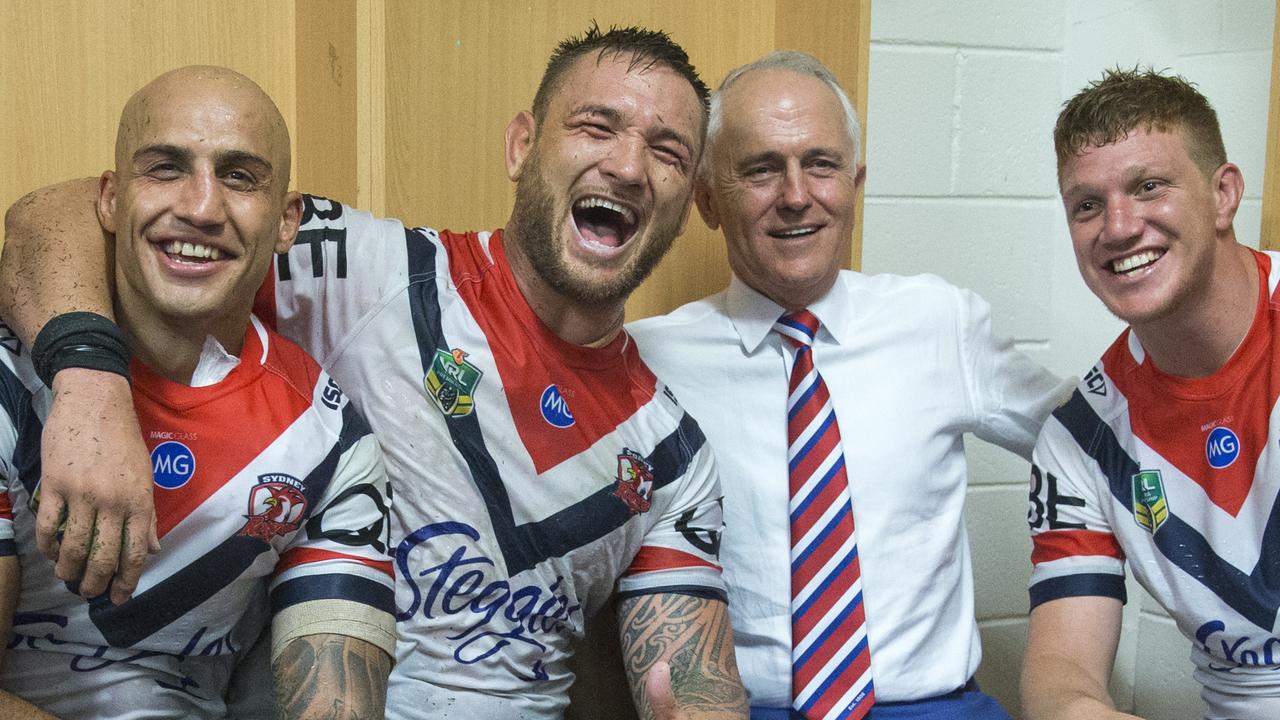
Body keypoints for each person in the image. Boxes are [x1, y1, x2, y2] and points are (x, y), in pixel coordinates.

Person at [0, 26, 748, 720]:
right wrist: (89, 383)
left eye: (668, 152)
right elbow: (57, 217)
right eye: (596, 127)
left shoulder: (673, 453)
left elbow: (690, 689)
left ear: (688, 207)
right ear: (521, 145)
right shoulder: (362, 267)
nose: (626, 164)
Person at [627, 51, 1072, 719]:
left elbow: (1092, 446)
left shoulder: (939, 321)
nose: (797, 194)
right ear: (709, 200)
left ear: (855, 182)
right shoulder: (649, 360)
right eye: (761, 169)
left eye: (822, 164)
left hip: (933, 708)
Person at [0, 66, 395, 718]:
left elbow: (336, 699)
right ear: (108, 199)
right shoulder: (14, 382)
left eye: (240, 177)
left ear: (288, 220)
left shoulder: (328, 437)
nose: (202, 207)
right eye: (165, 168)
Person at [1022, 68, 1279, 720]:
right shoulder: (1081, 437)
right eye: (1087, 205)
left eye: (1149, 187)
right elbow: (1061, 674)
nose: (1118, 226)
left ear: (1223, 195)